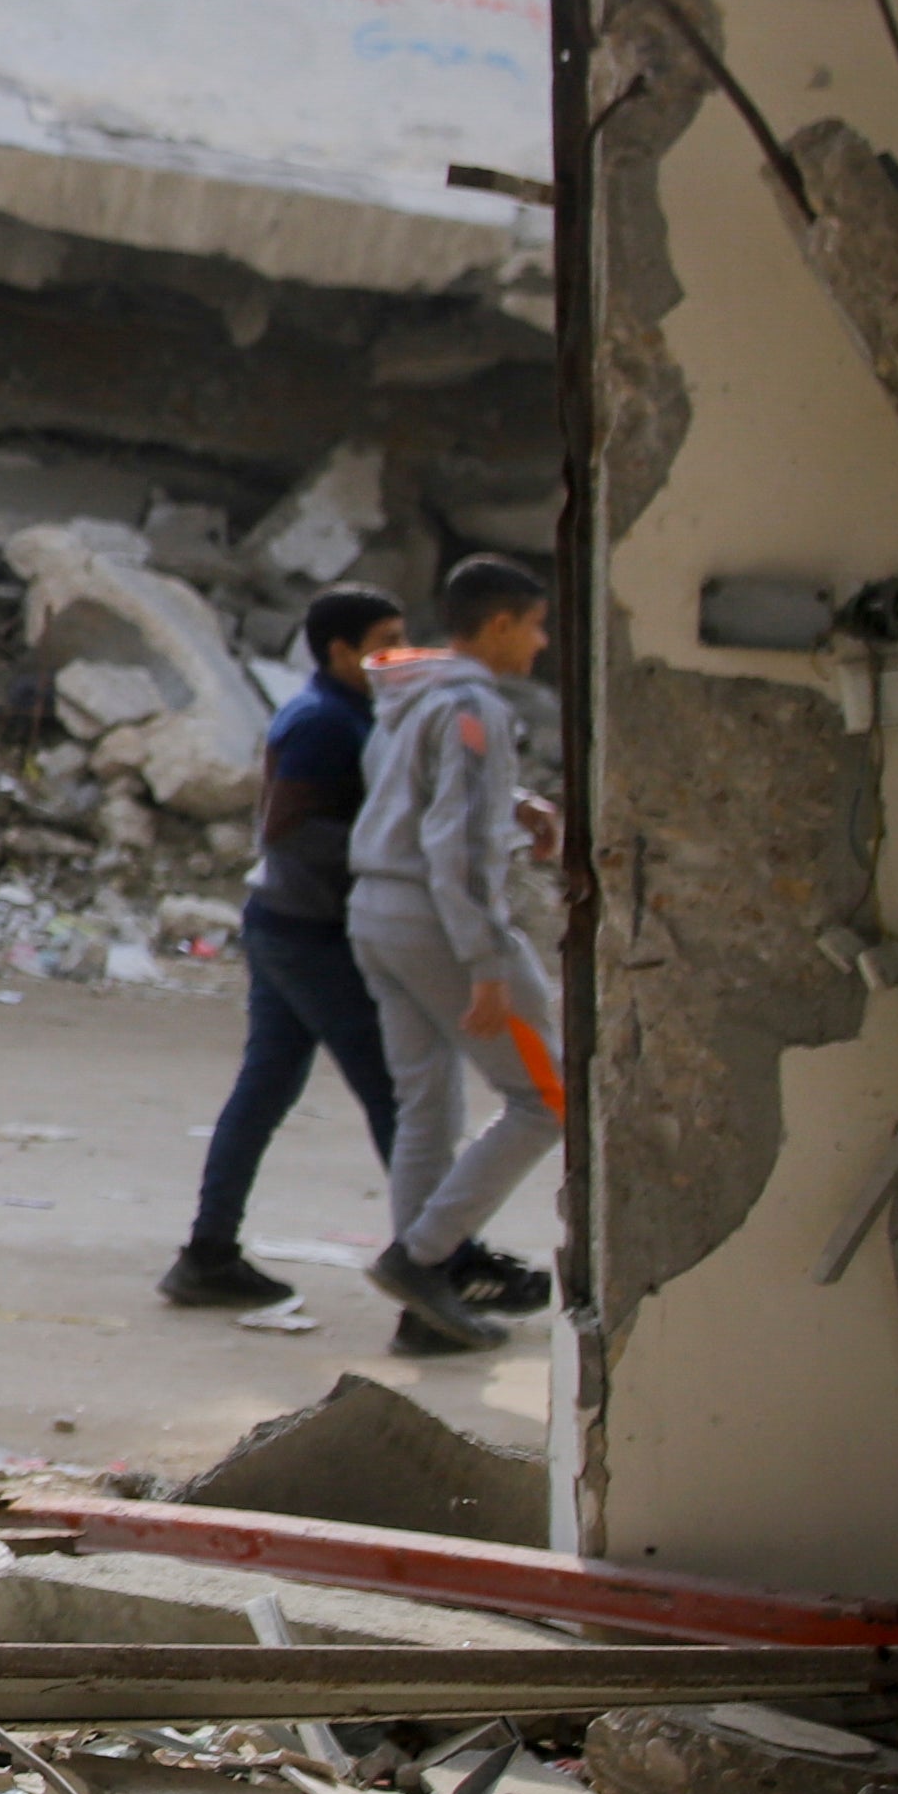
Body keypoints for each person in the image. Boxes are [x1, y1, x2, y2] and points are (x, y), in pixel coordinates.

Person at [163, 587, 420, 1311]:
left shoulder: (351, 713)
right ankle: (435, 1258)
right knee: (393, 1092)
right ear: (341, 652)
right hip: (310, 935)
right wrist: (393, 850)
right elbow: (289, 830)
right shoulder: (322, 722)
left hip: (286, 924)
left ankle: (209, 1252)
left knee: (266, 1088)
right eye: (386, 640)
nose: (400, 653)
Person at [352, 558, 568, 1355]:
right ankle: (423, 1257)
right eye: (537, 627)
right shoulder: (475, 705)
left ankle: (427, 1304)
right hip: (439, 924)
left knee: (428, 1108)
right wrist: (485, 963)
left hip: (376, 910)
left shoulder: (412, 694)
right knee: (548, 1097)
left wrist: (515, 805)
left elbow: (413, 792)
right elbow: (459, 843)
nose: (542, 645)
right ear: (501, 625)